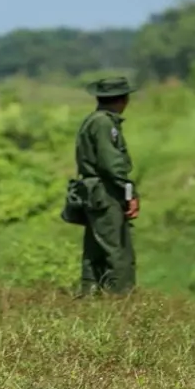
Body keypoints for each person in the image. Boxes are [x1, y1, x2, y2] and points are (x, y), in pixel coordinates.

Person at [73, 77, 140, 296]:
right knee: (118, 251)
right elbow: (111, 164)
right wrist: (129, 193)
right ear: (123, 99)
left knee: (95, 250)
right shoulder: (104, 123)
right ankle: (122, 301)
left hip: (94, 192)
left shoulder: (93, 119)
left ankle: (89, 296)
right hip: (105, 192)